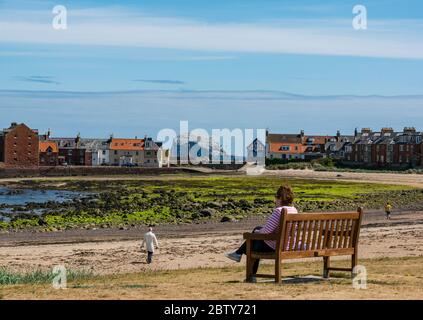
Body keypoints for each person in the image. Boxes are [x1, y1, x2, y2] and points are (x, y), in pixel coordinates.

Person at [225, 185, 298, 281]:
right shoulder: (294, 210)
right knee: (256, 234)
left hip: (275, 246)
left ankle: (248, 271)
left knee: (252, 242)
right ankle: (238, 253)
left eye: (276, 198)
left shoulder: (278, 211)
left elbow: (266, 232)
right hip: (287, 245)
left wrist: (255, 233)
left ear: (279, 198)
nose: (275, 201)